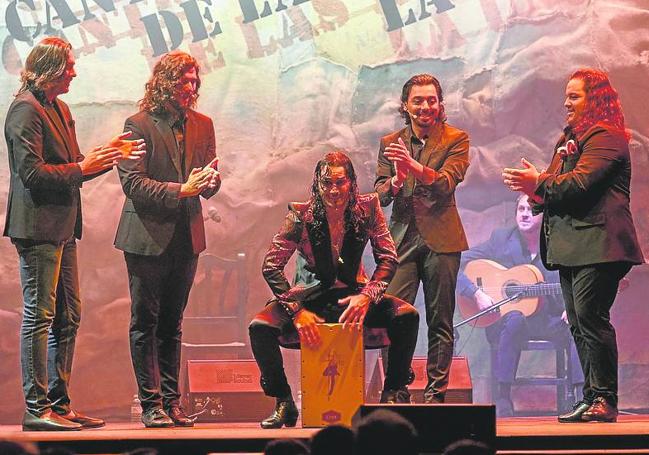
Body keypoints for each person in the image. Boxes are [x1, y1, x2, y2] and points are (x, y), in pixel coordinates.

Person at [3, 36, 145, 431]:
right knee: (40, 315)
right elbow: (32, 174)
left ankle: (59, 405)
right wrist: (84, 168)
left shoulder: (59, 108)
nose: (74, 72)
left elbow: (73, 166)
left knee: (69, 315)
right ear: (48, 69)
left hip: (63, 226)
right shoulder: (24, 111)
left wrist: (107, 155)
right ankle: (36, 408)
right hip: (37, 228)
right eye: (68, 66)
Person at [503, 68, 644, 422]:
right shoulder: (568, 138)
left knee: (590, 318)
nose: (566, 102)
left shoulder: (607, 136)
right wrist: (532, 189)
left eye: (574, 96)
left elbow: (578, 185)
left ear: (594, 99)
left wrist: (540, 181)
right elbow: (553, 190)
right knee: (579, 324)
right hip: (571, 247)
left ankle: (606, 398)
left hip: (600, 243)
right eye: (566, 95)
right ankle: (591, 396)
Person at [249, 151, 419, 428]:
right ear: (316, 184)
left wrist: (367, 296)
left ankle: (393, 394)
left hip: (354, 296)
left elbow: (388, 258)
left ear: (351, 183)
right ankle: (283, 401)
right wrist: (297, 311)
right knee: (260, 327)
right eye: (326, 183)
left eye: (340, 183)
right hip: (310, 298)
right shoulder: (300, 215)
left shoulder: (368, 208)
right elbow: (271, 266)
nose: (333, 190)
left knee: (407, 316)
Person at [114, 51, 220, 428]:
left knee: (172, 323)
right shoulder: (138, 124)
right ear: (164, 83)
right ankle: (151, 404)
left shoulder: (203, 124)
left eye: (194, 82)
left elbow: (208, 178)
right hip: (146, 237)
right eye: (183, 81)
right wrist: (183, 189)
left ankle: (172, 403)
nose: (190, 88)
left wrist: (210, 183)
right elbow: (133, 183)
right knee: (145, 321)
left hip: (186, 237)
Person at [374, 74, 470, 403]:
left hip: (441, 240)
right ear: (406, 105)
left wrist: (414, 167)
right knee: (393, 317)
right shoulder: (390, 142)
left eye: (431, 100)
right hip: (400, 240)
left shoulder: (456, 139)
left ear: (439, 104)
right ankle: (396, 389)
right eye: (418, 100)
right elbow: (379, 195)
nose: (425, 106)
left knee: (440, 320)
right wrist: (397, 181)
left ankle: (435, 395)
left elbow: (445, 184)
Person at [456, 195, 583, 417]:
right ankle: (503, 397)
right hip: (508, 323)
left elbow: (574, 280)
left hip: (547, 321)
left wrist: (571, 306)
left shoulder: (558, 245)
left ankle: (580, 396)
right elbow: (454, 263)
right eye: (521, 208)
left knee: (579, 324)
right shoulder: (501, 239)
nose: (525, 213)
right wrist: (475, 293)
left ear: (545, 216)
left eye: (532, 209)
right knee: (514, 317)